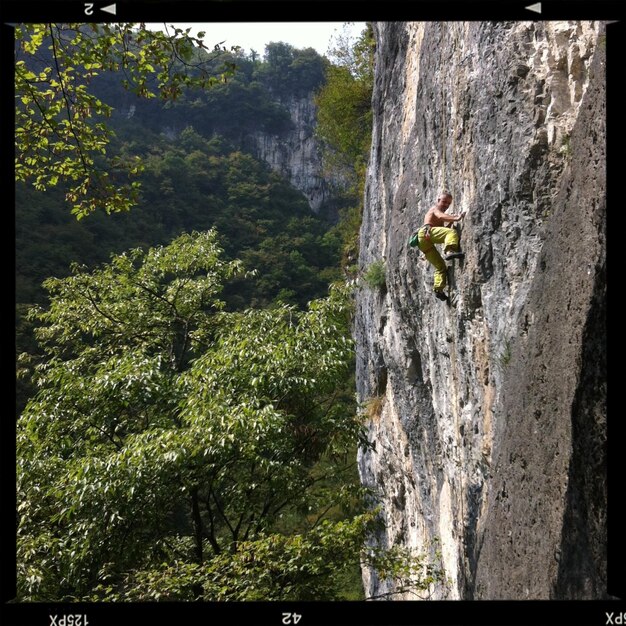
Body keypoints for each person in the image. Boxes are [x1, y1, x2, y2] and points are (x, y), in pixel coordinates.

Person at [409, 191, 466, 301]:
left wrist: (451, 221)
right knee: (451, 233)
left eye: (448, 204)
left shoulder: (438, 213)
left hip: (425, 242)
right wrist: (457, 218)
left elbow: (443, 228)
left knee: (441, 267)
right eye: (444, 202)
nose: (446, 205)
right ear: (438, 200)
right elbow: (441, 216)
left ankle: (438, 289)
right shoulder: (434, 209)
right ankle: (450, 251)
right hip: (426, 233)